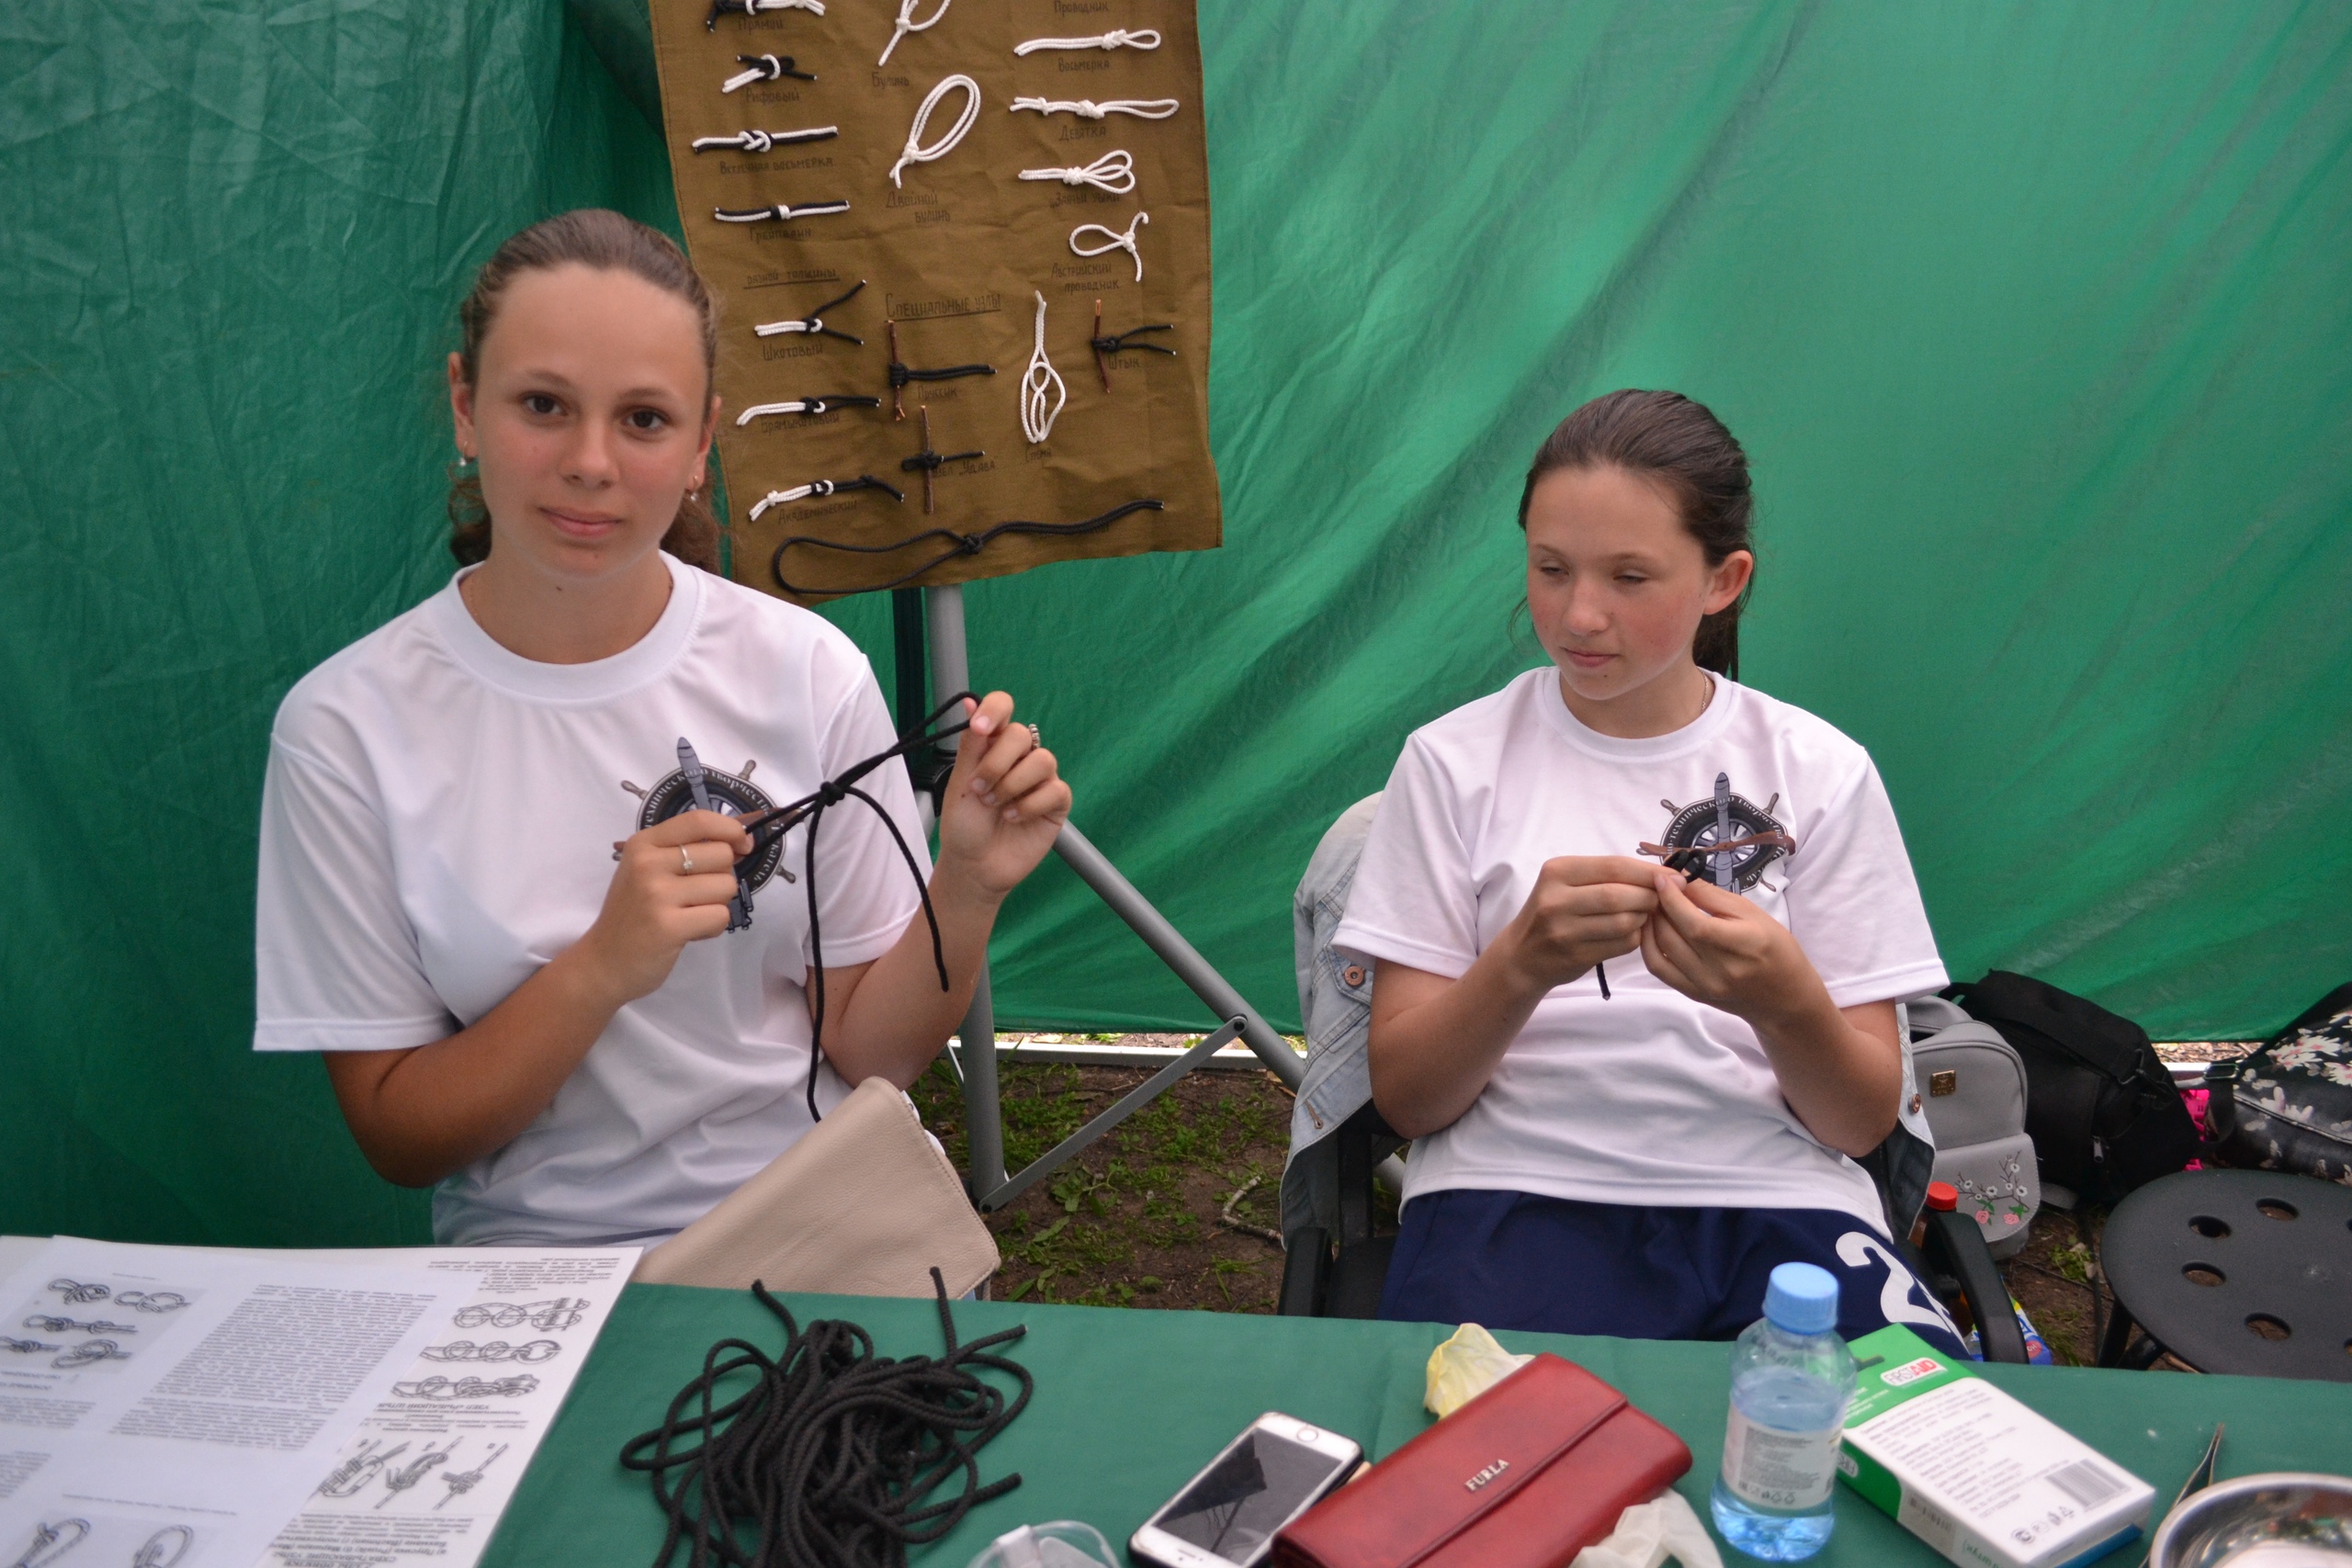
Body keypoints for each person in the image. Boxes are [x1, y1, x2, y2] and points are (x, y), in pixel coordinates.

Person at [252, 209, 1069, 1247]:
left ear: (700, 444)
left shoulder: (806, 670)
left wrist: (969, 885)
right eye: (543, 404)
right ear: (464, 405)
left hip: (812, 1233)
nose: (591, 461)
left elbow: (874, 1054)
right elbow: (401, 1139)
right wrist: (602, 965)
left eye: (643, 418)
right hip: (534, 1275)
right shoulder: (345, 728)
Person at [1337, 389, 1966, 1353]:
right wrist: (1521, 962)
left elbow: (1856, 1125)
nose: (1579, 613)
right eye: (1550, 568)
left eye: (1630, 577)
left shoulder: (1819, 771)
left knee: (1886, 1436)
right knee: (1491, 1447)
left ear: (1724, 580)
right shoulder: (1452, 763)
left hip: (1781, 1200)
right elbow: (1408, 1101)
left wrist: (1784, 999)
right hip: (1511, 1194)